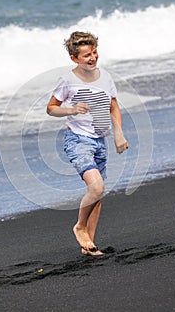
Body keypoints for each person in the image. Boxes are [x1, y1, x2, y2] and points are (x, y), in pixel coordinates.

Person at [47, 31, 128, 256]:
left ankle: (89, 246)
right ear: (74, 59)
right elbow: (51, 108)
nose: (92, 58)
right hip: (78, 141)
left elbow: (113, 107)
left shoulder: (105, 77)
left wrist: (118, 134)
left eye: (94, 52)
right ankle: (80, 227)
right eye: (86, 55)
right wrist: (71, 109)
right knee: (96, 187)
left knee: (97, 195)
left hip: (100, 141)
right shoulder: (67, 80)